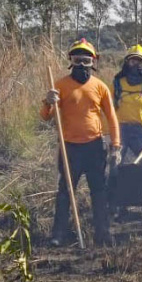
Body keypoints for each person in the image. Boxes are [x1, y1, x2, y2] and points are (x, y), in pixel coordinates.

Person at [41, 39, 121, 247]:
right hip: (70, 149)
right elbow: (45, 116)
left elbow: (111, 117)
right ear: (71, 61)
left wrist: (116, 145)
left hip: (95, 147)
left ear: (93, 62)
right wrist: (48, 102)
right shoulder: (59, 86)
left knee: (99, 191)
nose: (81, 66)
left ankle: (102, 233)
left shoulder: (100, 87)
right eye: (77, 60)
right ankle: (59, 233)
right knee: (65, 191)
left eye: (86, 61)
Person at [106, 45, 142, 210]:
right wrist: (109, 138)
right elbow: (108, 111)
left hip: (140, 133)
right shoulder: (116, 84)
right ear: (126, 63)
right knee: (114, 168)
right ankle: (113, 207)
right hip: (119, 131)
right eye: (132, 61)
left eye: (139, 62)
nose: (135, 65)